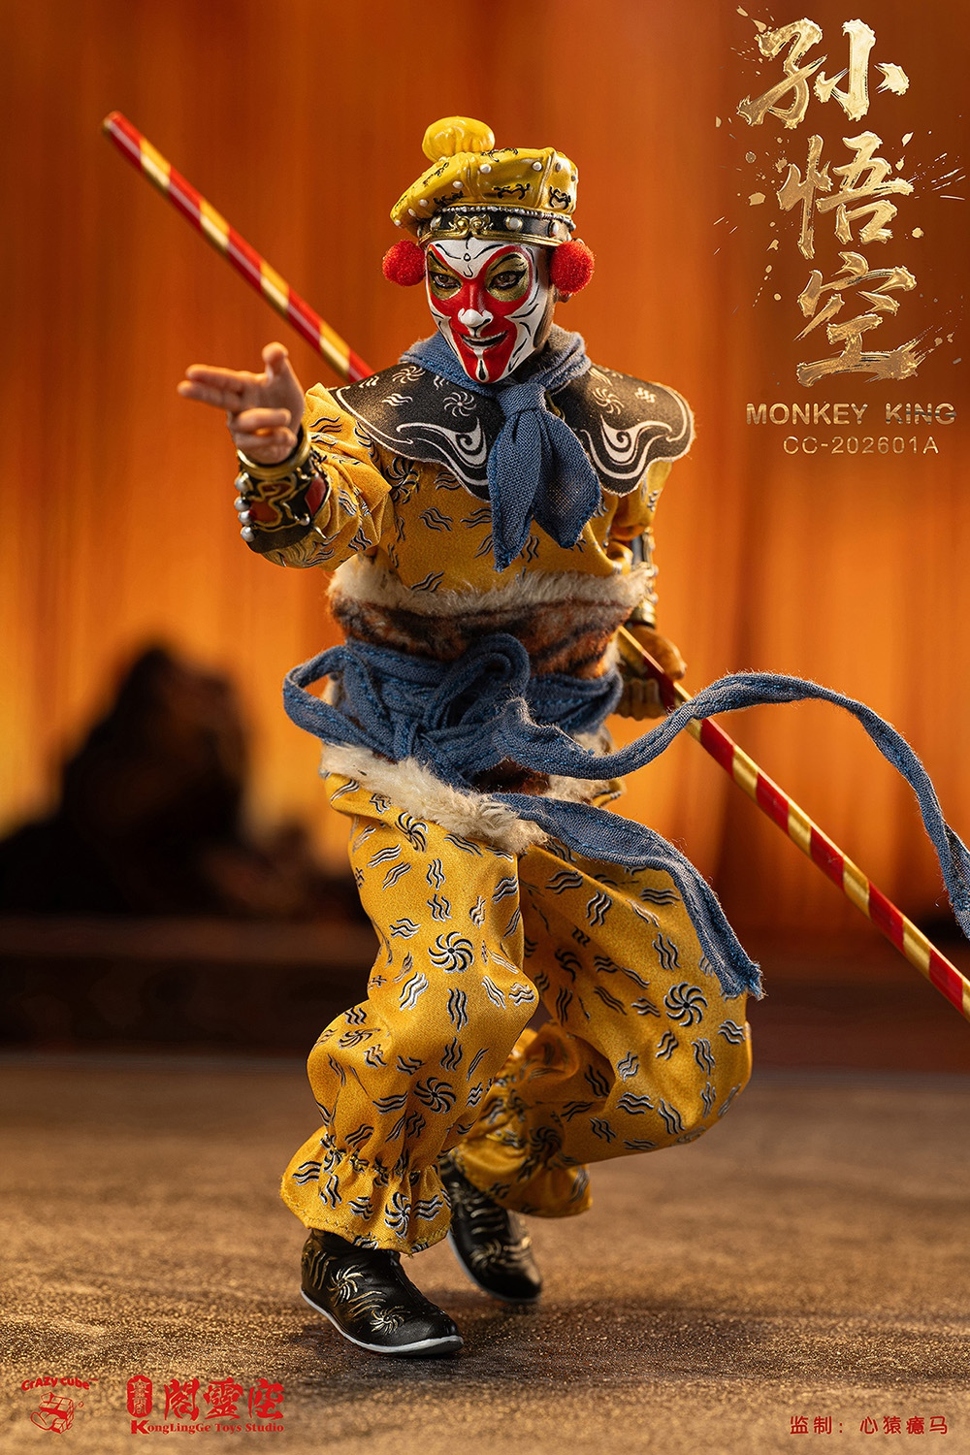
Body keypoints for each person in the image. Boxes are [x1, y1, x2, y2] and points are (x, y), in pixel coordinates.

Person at [178, 116, 757, 1357]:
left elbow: (616, 565)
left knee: (685, 1035)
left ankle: (480, 1155)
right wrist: (280, 460)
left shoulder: (626, 421)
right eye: (449, 280)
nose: (476, 306)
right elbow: (321, 519)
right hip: (415, 763)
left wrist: (637, 660)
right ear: (420, 280)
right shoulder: (374, 418)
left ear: (557, 270)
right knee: (457, 998)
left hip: (550, 768)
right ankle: (347, 1242)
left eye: (503, 276)